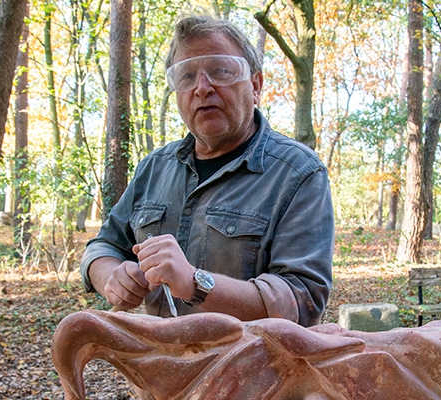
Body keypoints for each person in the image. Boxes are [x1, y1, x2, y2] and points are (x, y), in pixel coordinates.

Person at [81, 14, 334, 327]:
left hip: (255, 360)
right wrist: (111, 276)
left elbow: (303, 301)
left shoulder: (298, 173)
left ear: (255, 86)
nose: (202, 88)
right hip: (159, 357)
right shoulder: (154, 168)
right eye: (187, 76)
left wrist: (195, 282)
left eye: (221, 71)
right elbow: (103, 246)